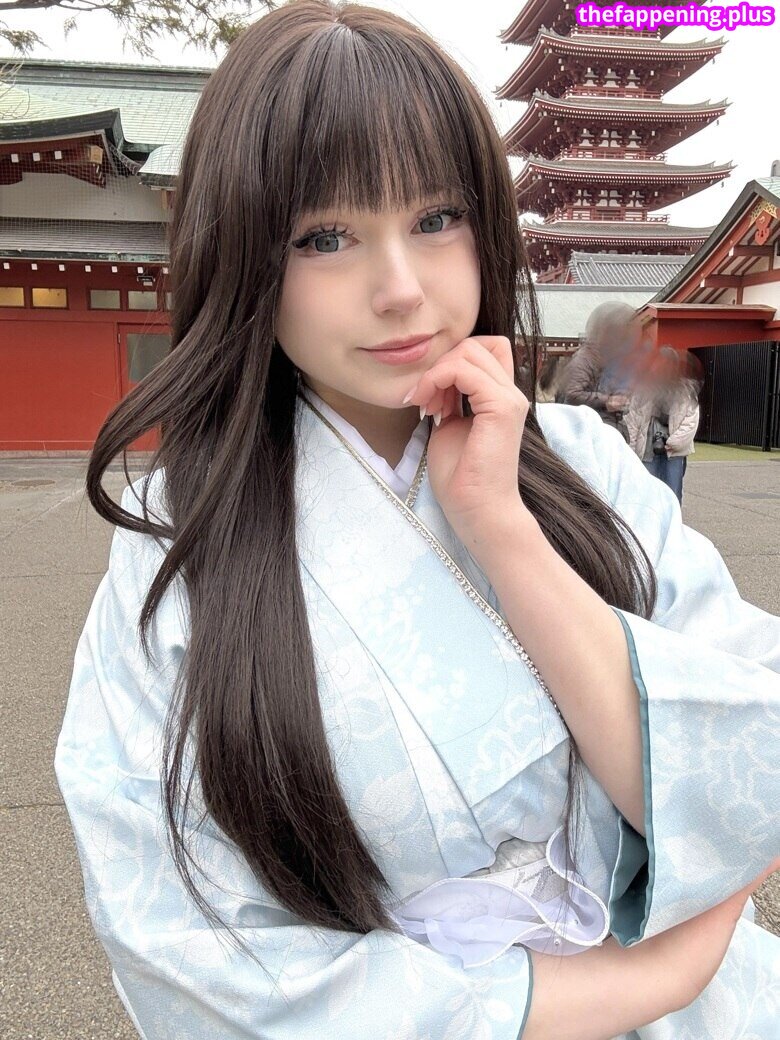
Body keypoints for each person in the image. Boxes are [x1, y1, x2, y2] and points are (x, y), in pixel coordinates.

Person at [55, 3, 779, 1039]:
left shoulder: (579, 461)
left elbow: (746, 759)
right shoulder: (180, 531)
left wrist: (502, 526)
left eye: (437, 219)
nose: (401, 290)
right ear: (245, 255)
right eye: (326, 237)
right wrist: (636, 985)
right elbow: (176, 930)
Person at [559, 303, 644, 443]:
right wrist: (607, 401)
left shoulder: (607, 360)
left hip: (607, 427)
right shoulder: (584, 360)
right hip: (590, 430)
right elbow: (572, 393)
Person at [626, 347, 701, 505]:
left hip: (673, 452)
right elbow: (632, 420)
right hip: (646, 448)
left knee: (673, 493)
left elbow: (691, 420)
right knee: (647, 493)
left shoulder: (685, 391)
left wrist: (674, 443)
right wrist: (630, 449)